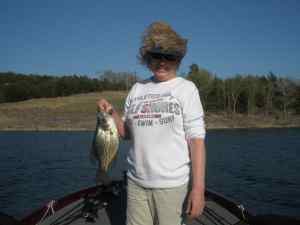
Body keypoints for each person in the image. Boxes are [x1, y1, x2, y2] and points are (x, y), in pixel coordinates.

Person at [97, 21, 206, 225]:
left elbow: (197, 143)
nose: (162, 62)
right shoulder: (138, 88)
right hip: (136, 183)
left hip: (172, 187)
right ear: (147, 58)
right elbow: (126, 133)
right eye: (156, 55)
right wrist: (111, 113)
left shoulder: (186, 89)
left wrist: (198, 189)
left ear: (178, 58)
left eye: (169, 56)